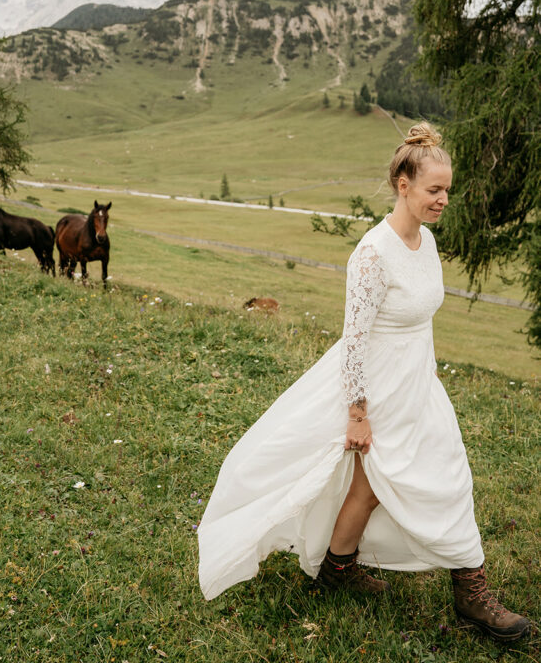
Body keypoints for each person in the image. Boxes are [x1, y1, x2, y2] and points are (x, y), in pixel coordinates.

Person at [197, 123, 531, 644]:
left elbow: (421, 320)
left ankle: (424, 582)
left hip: (418, 383)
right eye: (433, 190)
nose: (443, 200)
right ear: (404, 184)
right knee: (378, 485)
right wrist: (357, 412)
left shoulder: (427, 241)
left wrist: (430, 373)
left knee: (427, 478)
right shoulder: (373, 253)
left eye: (447, 190)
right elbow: (353, 339)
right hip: (376, 388)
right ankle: (416, 582)